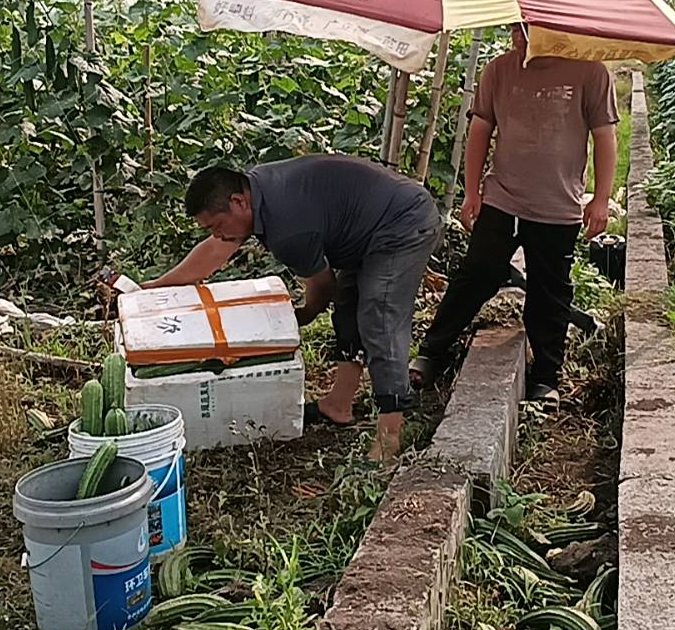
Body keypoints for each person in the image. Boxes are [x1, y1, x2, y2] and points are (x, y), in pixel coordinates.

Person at [125, 155, 441, 462]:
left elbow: (322, 288)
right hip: (370, 224)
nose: (217, 234)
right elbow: (212, 253)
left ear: (238, 202)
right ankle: (338, 405)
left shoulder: (287, 228)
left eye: (217, 225)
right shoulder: (256, 191)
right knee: (348, 307)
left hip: (403, 222)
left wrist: (304, 314)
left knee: (379, 316)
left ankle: (390, 437)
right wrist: (153, 288)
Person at [409, 25, 618, 404]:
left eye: (527, 29)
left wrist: (601, 198)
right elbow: (480, 130)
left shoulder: (590, 72)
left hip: (558, 205)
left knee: (549, 289)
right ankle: (431, 351)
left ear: (553, 25)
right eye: (514, 28)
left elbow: (605, 136)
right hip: (502, 198)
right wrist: (472, 193)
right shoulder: (499, 70)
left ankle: (546, 377)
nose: (518, 37)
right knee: (477, 274)